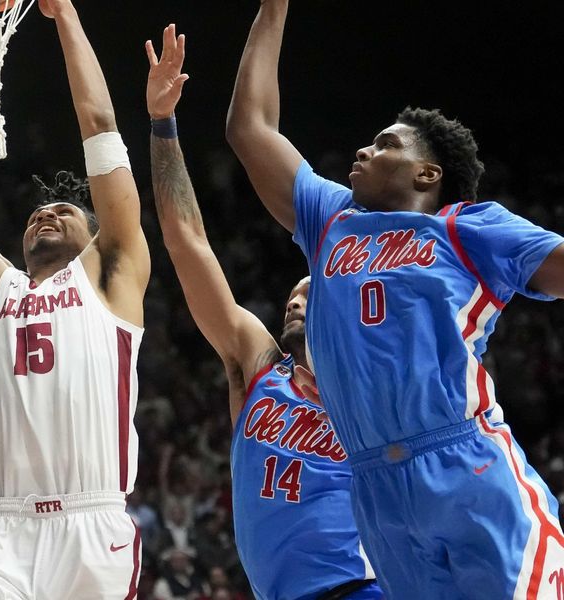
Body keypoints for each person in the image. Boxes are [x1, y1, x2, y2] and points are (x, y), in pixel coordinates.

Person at [225, 1, 564, 597]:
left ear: (427, 174)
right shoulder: (332, 218)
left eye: (384, 144)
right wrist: (274, 8)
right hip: (376, 492)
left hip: (463, 462)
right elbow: (250, 128)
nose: (363, 150)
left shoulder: (468, 227)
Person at [0, 0, 149, 597]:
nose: (45, 212)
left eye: (63, 209)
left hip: (92, 522)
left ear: (96, 234)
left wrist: (65, 15)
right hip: (3, 529)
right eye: (37, 211)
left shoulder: (111, 276)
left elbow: (99, 124)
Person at [146, 25, 381, 599]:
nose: (295, 301)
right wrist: (162, 126)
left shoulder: (373, 387)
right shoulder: (259, 367)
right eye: (290, 298)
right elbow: (187, 242)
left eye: (310, 293)